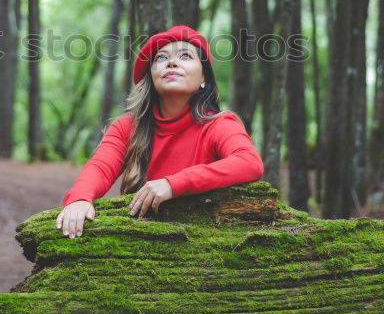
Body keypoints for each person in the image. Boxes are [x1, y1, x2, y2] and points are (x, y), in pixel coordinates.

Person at [56, 25, 264, 238]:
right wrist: (80, 198)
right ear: (152, 77)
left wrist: (172, 184)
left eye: (185, 55)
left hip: (208, 242)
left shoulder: (219, 124)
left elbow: (250, 162)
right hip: (144, 240)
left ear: (204, 78)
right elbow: (101, 167)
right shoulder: (128, 126)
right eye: (161, 58)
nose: (171, 62)